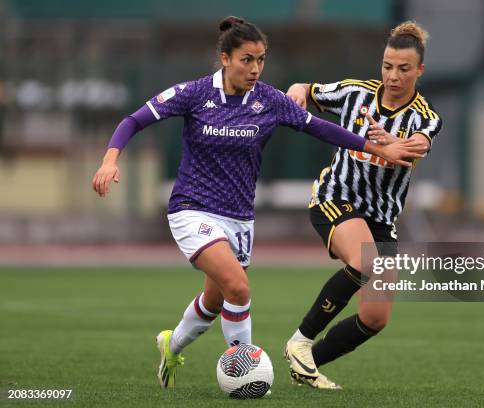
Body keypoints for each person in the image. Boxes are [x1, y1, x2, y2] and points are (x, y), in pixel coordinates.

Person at [92, 16, 416, 390]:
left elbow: (322, 128)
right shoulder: (195, 93)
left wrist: (379, 148)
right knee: (239, 287)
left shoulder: (270, 100)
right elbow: (134, 120)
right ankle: (244, 373)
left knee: (215, 300)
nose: (256, 68)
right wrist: (109, 159)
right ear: (225, 58)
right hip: (191, 209)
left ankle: (172, 344)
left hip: (239, 218)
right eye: (247, 59)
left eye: (261, 60)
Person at [283, 21, 442, 389]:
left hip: (382, 218)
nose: (393, 76)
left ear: (420, 71)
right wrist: (296, 91)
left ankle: (307, 364)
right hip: (334, 198)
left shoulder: (425, 116)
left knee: (374, 318)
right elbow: (305, 89)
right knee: (364, 262)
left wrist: (392, 143)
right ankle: (300, 341)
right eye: (387, 66)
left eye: (404, 68)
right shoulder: (355, 92)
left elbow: (417, 143)